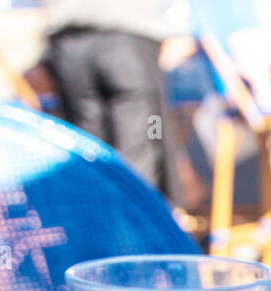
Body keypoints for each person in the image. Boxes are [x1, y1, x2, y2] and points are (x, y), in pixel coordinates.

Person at [42, 1, 187, 193]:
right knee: (150, 132)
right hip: (128, 37)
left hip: (69, 41)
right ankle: (140, 216)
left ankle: (104, 217)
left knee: (89, 147)